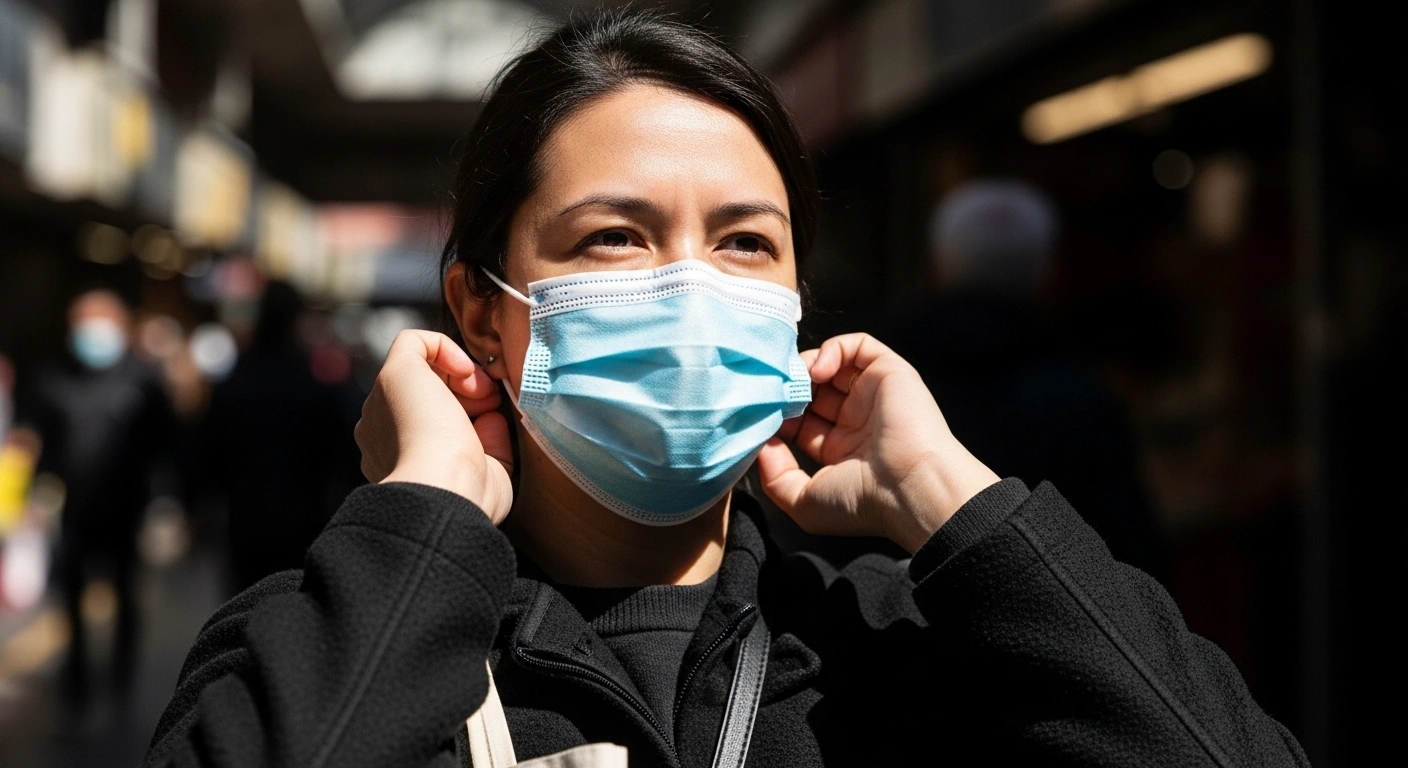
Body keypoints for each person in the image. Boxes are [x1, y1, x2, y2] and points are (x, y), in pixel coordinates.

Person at [142, 11, 1306, 767]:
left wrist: (959, 503)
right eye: (612, 238)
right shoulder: (335, 644)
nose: (690, 286)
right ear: (480, 310)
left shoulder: (902, 658)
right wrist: (422, 522)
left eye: (746, 243)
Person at [886, 179, 1167, 580]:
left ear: (936, 265)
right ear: (1047, 271)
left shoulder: (887, 387)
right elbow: (1130, 554)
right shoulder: (1083, 397)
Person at [25, 289, 172, 705]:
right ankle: (76, 679)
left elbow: (167, 442)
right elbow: (37, 440)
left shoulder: (143, 380)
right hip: (73, 508)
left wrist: (166, 498)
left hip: (127, 507)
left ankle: (122, 677)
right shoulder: (54, 378)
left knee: (125, 591)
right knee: (70, 593)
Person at [201, 280, 361, 593]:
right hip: (304, 521)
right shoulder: (314, 386)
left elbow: (209, 453)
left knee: (241, 609)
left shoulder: (234, 381)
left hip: (243, 519)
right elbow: (341, 456)